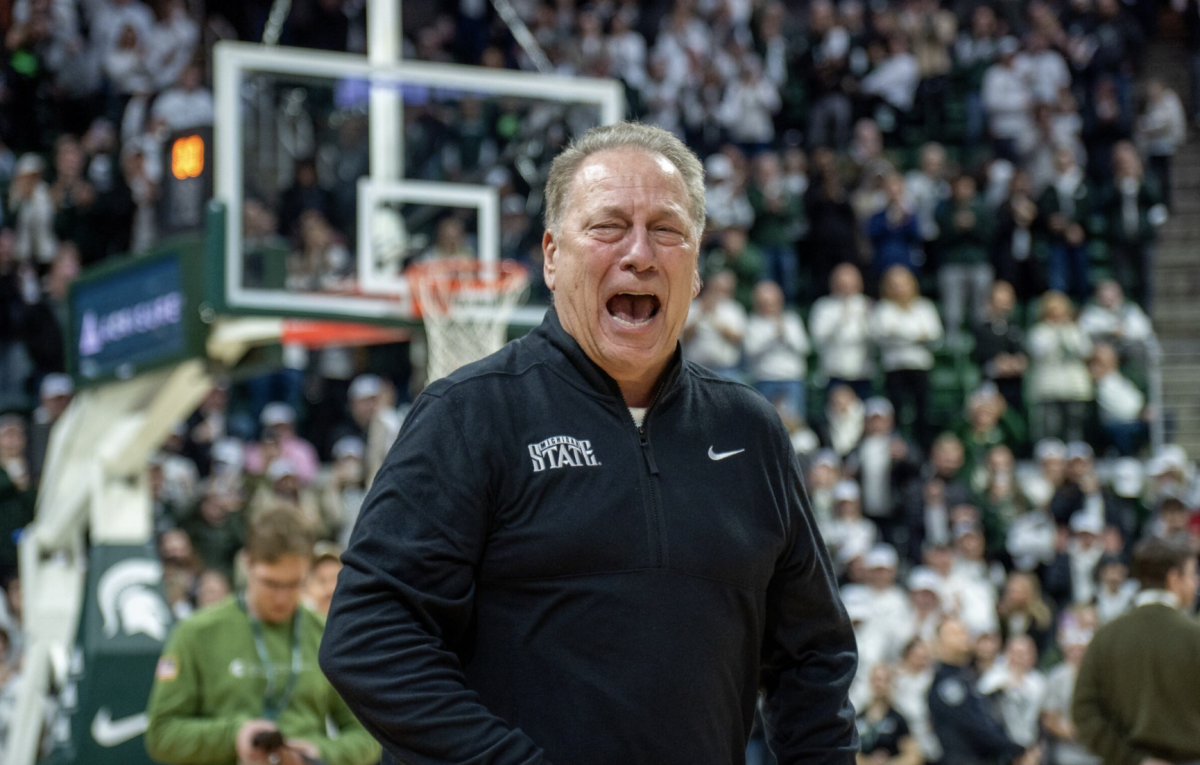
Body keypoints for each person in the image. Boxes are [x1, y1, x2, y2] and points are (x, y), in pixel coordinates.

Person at [319, 122, 859, 764]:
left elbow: (813, 658)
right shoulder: (468, 414)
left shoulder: (751, 430)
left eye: (666, 229)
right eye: (608, 227)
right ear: (551, 256)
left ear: (694, 263)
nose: (639, 253)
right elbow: (368, 635)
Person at [144, 507, 381, 765]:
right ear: (246, 564)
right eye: (270, 583)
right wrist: (234, 736)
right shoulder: (196, 633)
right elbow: (161, 735)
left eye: (293, 584)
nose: (281, 597)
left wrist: (317, 754)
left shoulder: (326, 634)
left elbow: (368, 736)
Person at [1072, 538, 1200, 765]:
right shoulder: (1194, 635)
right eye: (1192, 575)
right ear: (1173, 578)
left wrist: (1133, 759)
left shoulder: (1106, 636)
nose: (1196, 583)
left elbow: (1083, 711)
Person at [929, 618, 1034, 765]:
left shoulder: (967, 676)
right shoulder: (946, 684)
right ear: (939, 642)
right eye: (955, 633)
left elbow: (986, 719)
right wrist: (1014, 749)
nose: (963, 636)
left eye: (964, 631)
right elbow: (972, 726)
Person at [870, 266, 943, 446]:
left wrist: (899, 334)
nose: (899, 288)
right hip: (894, 368)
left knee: (923, 412)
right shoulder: (883, 309)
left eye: (902, 284)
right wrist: (916, 336)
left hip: (920, 367)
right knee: (896, 413)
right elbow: (881, 335)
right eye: (894, 284)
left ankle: (922, 448)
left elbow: (935, 337)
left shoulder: (924, 307)